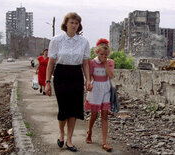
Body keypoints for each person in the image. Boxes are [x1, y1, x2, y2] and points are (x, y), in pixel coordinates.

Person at [45, 12, 92, 152]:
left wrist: (88, 80)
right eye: (71, 22)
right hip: (61, 74)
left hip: (76, 75)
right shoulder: (56, 40)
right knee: (64, 109)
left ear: (79, 26)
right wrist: (47, 82)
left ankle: (69, 140)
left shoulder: (84, 42)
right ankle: (61, 133)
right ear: (66, 24)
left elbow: (85, 63)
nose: (74, 25)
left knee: (75, 109)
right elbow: (51, 62)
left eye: (76, 23)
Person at [85, 38, 114, 152]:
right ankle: (89, 132)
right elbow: (89, 76)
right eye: (102, 54)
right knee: (94, 114)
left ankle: (104, 142)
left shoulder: (110, 62)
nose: (104, 56)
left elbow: (111, 75)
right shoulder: (92, 63)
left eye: (106, 55)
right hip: (95, 88)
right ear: (97, 52)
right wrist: (88, 83)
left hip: (105, 88)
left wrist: (105, 63)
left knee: (105, 115)